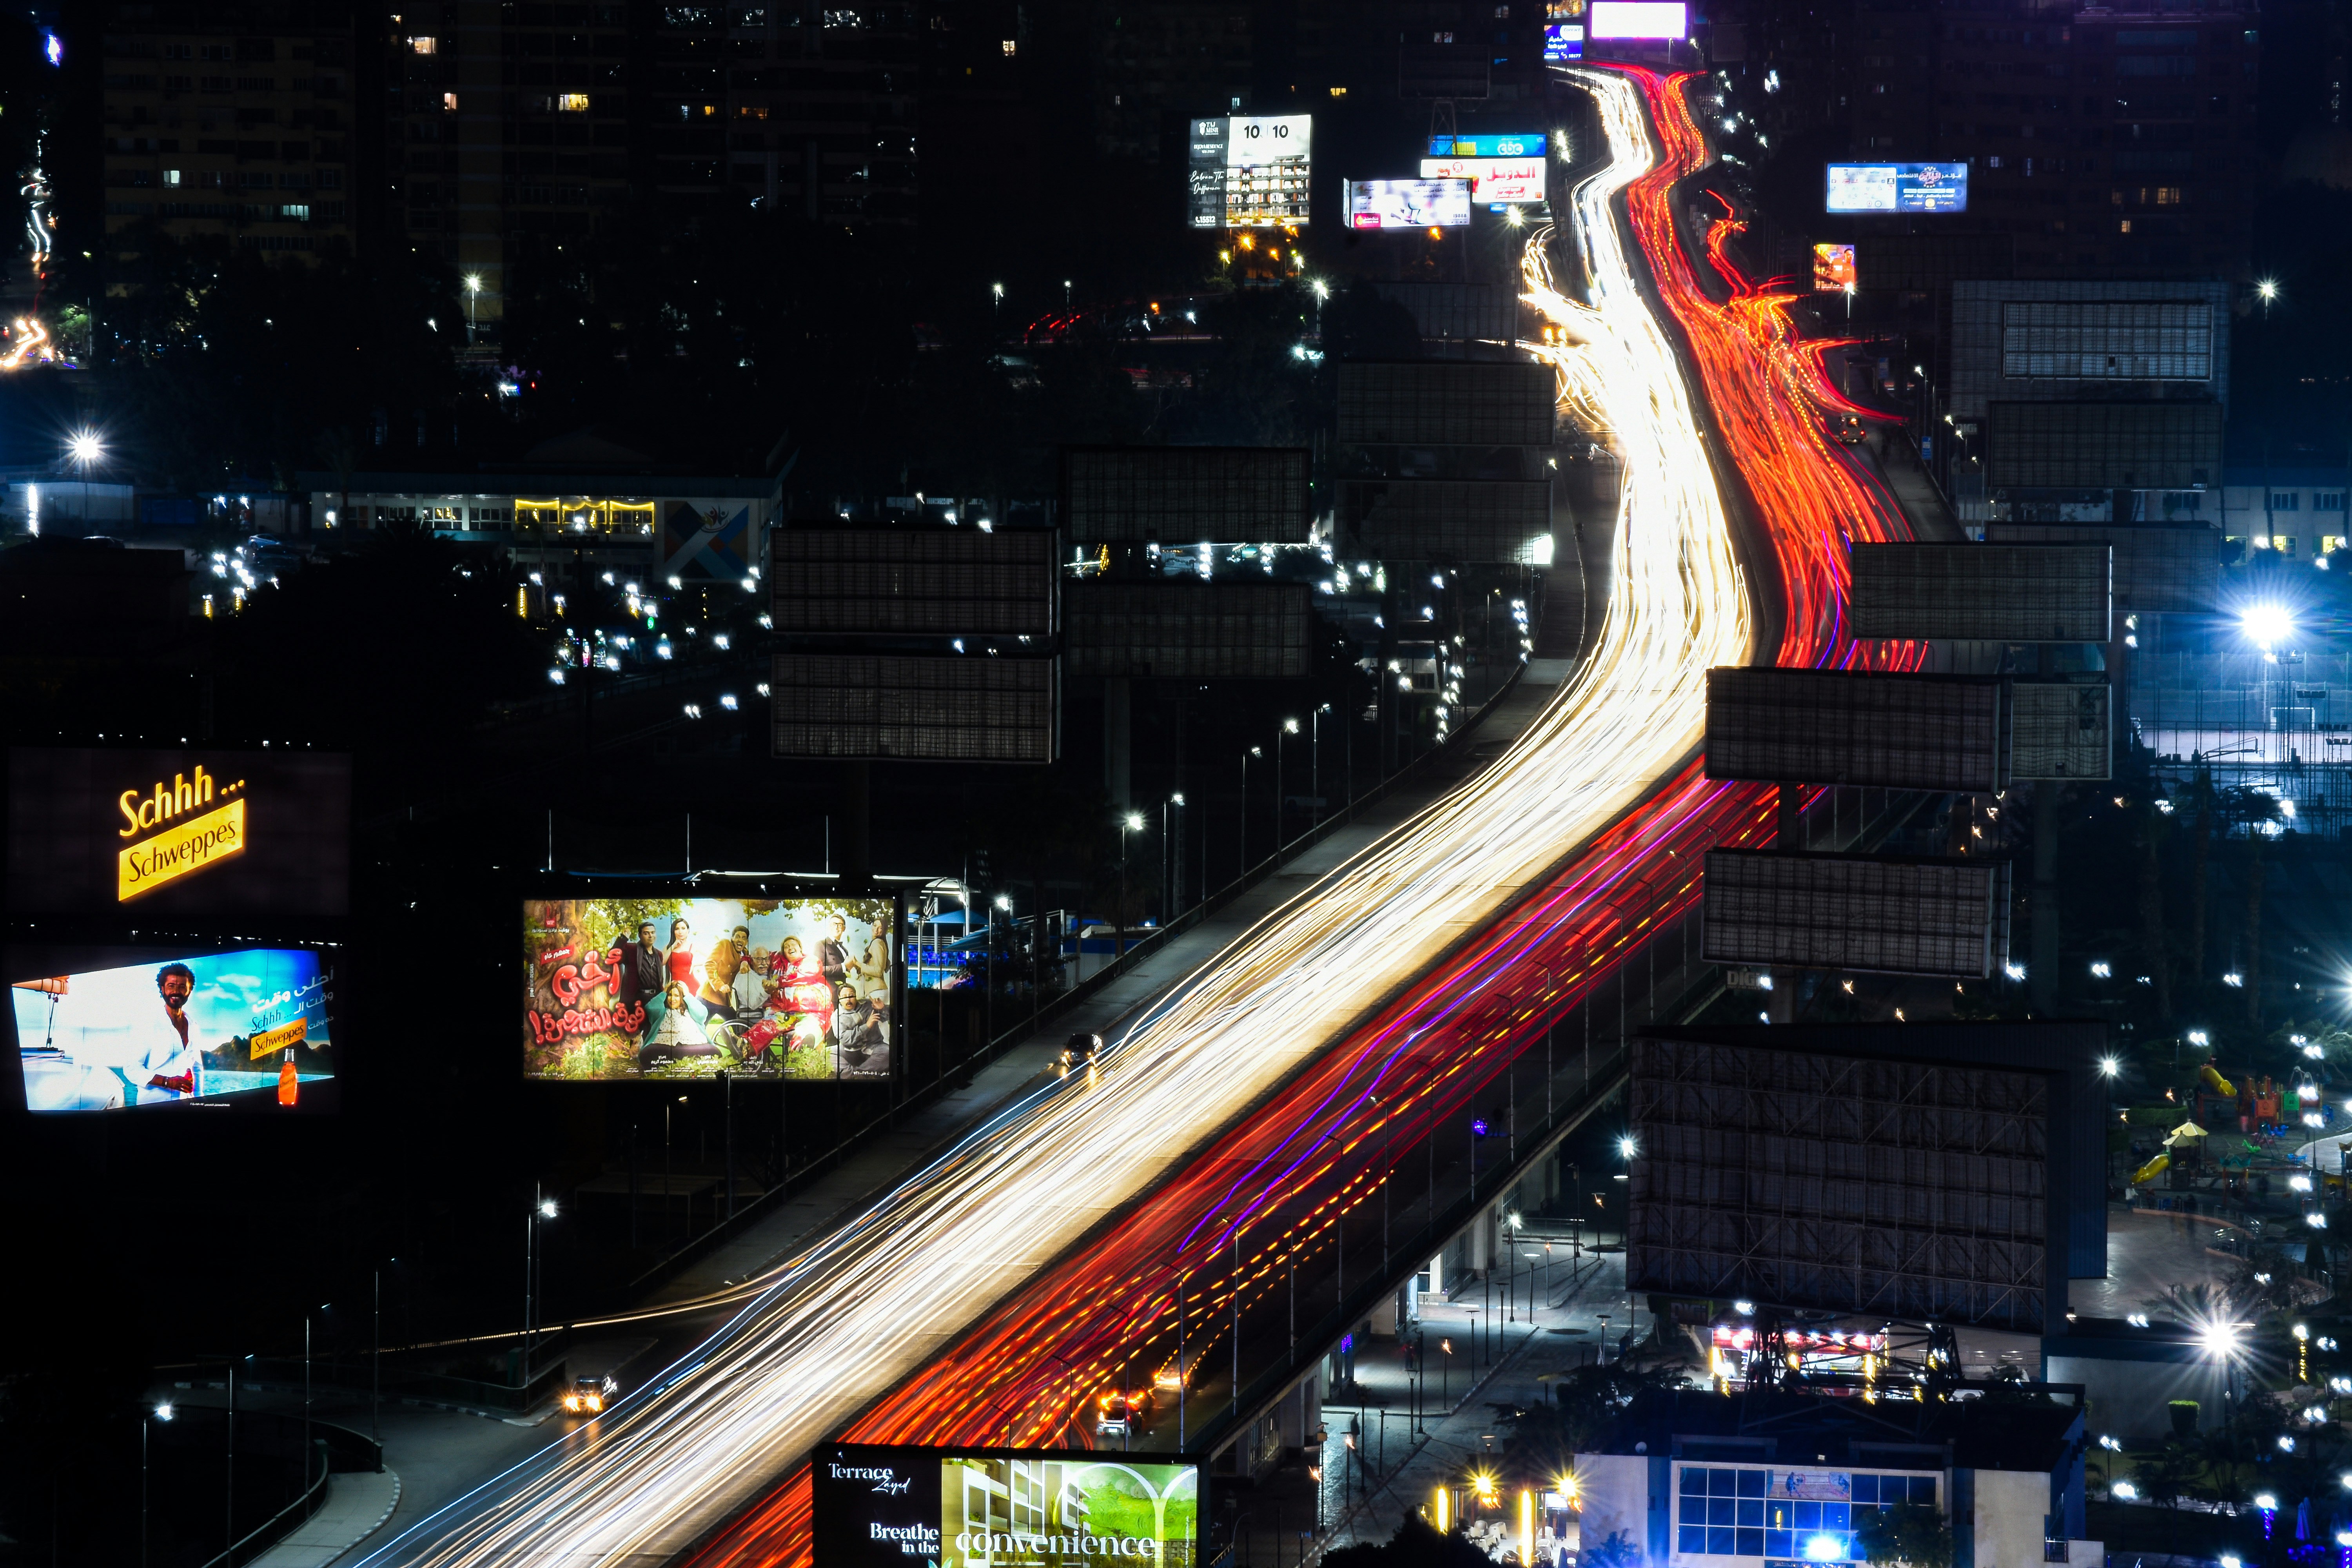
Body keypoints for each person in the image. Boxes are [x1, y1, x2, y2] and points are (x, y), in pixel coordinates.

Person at [113, 962, 205, 1103]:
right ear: (162, 989)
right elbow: (131, 1069)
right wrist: (168, 1082)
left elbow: (197, 1068)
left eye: (182, 987)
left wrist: (200, 1101)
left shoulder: (194, 1026)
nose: (176, 991)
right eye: (171, 986)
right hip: (154, 1107)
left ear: (190, 990)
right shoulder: (147, 1024)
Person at [639, 981, 715, 1069]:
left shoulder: (690, 1011)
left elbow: (703, 1014)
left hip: (692, 1043)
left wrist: (688, 995)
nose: (673, 999)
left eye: (677, 996)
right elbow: (651, 1008)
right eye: (670, 995)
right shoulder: (662, 1012)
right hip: (665, 1043)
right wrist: (664, 992)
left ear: (682, 997)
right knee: (646, 1053)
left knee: (714, 1052)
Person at [701, 924, 751, 1016]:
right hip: (709, 997)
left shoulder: (743, 956)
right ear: (732, 938)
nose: (740, 940)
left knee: (737, 1022)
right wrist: (720, 985)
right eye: (738, 937)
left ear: (747, 942)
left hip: (724, 1000)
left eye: (744, 938)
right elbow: (710, 964)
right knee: (699, 1024)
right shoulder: (724, 944)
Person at [818, 914, 851, 995]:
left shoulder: (845, 950)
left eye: (840, 925)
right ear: (829, 927)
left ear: (844, 929)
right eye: (834, 924)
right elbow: (819, 970)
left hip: (843, 994)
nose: (836, 928)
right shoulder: (821, 944)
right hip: (829, 993)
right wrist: (843, 967)